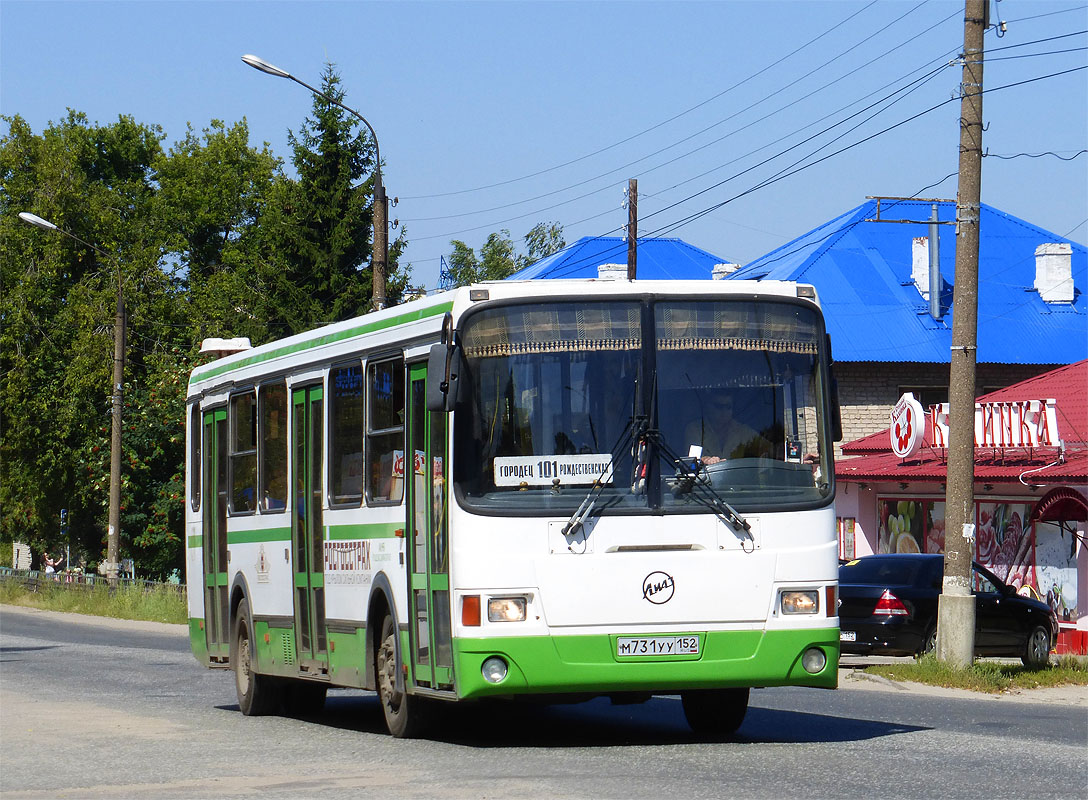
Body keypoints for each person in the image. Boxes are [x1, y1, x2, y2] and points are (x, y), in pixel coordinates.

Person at [685, 393, 768, 465]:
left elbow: (765, 447)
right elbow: (693, 457)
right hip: (704, 481)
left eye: (728, 407)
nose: (724, 411)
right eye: (719, 406)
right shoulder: (695, 429)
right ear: (707, 407)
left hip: (736, 481)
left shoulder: (741, 430)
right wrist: (706, 460)